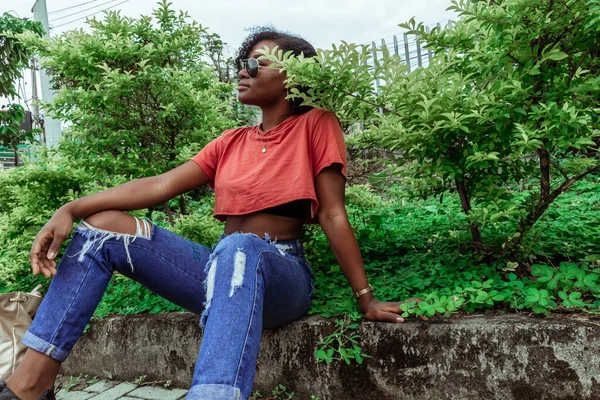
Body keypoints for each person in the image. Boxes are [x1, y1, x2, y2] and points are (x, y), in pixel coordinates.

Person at [0, 28, 411, 400]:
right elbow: (160, 185)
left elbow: (333, 214)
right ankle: (29, 387)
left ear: (292, 78)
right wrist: (70, 208)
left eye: (257, 62)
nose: (243, 71)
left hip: (281, 274)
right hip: (223, 272)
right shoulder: (232, 141)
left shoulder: (317, 125)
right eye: (242, 63)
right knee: (102, 228)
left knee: (239, 247)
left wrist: (366, 298)